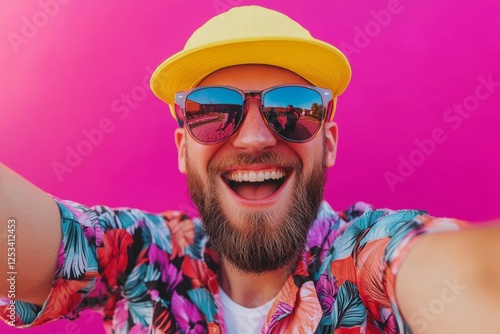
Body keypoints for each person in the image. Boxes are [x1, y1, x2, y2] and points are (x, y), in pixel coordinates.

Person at [0, 5, 499, 334]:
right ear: (182, 148)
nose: (255, 138)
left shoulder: (370, 258)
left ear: (327, 142)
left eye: (292, 110)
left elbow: (456, 275)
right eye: (212, 111)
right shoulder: (146, 262)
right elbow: (17, 248)